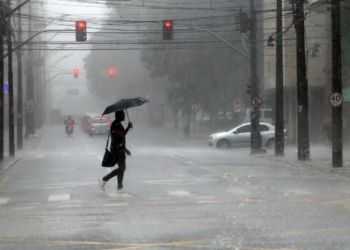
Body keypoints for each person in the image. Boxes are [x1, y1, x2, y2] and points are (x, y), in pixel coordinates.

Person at [99, 110, 133, 191]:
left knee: (121, 168)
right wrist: (128, 127)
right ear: (118, 115)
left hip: (120, 149)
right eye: (122, 114)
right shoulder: (115, 125)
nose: (124, 116)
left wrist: (125, 149)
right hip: (117, 150)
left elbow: (119, 139)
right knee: (122, 168)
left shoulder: (118, 124)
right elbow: (121, 134)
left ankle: (120, 187)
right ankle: (104, 179)